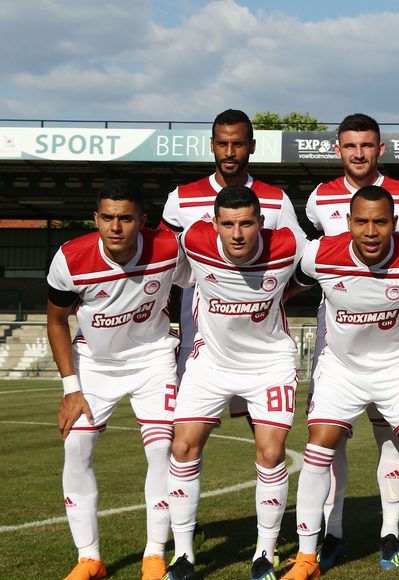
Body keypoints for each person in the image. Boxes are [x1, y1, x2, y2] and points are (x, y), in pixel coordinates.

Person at [281, 185, 399, 580]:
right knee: (318, 449)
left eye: (380, 222)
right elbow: (294, 280)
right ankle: (306, 558)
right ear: (348, 222)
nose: (371, 231)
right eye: (363, 222)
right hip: (342, 369)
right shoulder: (320, 254)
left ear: (394, 223)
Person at [302, 113, 399, 570]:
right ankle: (331, 535)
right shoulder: (319, 198)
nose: (359, 153)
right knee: (328, 444)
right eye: (350, 146)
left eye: (367, 145)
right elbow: (300, 267)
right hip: (339, 339)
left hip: (394, 339)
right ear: (338, 150)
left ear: (379, 148)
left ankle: (392, 533)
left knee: (395, 437)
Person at [163, 186, 306, 580]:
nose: (238, 234)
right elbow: (156, 258)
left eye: (246, 223)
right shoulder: (193, 240)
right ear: (214, 224)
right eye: (228, 224)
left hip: (269, 364)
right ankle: (183, 555)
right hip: (211, 362)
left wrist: (286, 290)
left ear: (261, 222)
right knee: (182, 447)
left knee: (271, 452)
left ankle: (264, 554)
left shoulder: (289, 244)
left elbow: (320, 266)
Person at [48, 179, 187, 580]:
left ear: (142, 220)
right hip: (94, 363)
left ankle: (154, 554)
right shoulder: (70, 258)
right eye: (107, 217)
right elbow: (56, 320)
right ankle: (89, 559)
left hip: (153, 359)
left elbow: (200, 284)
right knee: (76, 446)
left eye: (125, 218)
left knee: (161, 450)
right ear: (95, 218)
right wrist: (70, 389)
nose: (115, 227)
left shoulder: (169, 248)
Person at [160, 108, 304, 378]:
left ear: (252, 146)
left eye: (237, 144)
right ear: (211, 145)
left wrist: (283, 293)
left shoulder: (276, 200)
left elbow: (302, 261)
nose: (229, 152)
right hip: (199, 339)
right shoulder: (181, 199)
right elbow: (164, 263)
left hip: (259, 346)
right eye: (222, 143)